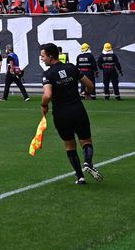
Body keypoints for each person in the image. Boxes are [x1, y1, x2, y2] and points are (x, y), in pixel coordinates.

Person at [38, 42, 101, 186]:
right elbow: (90, 85)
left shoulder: (48, 74)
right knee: (86, 142)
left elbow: (47, 95)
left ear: (51, 56)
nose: (42, 59)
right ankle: (88, 162)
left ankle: (80, 177)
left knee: (69, 145)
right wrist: (86, 93)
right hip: (78, 109)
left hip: (61, 114)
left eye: (43, 56)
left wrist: (43, 105)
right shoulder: (72, 67)